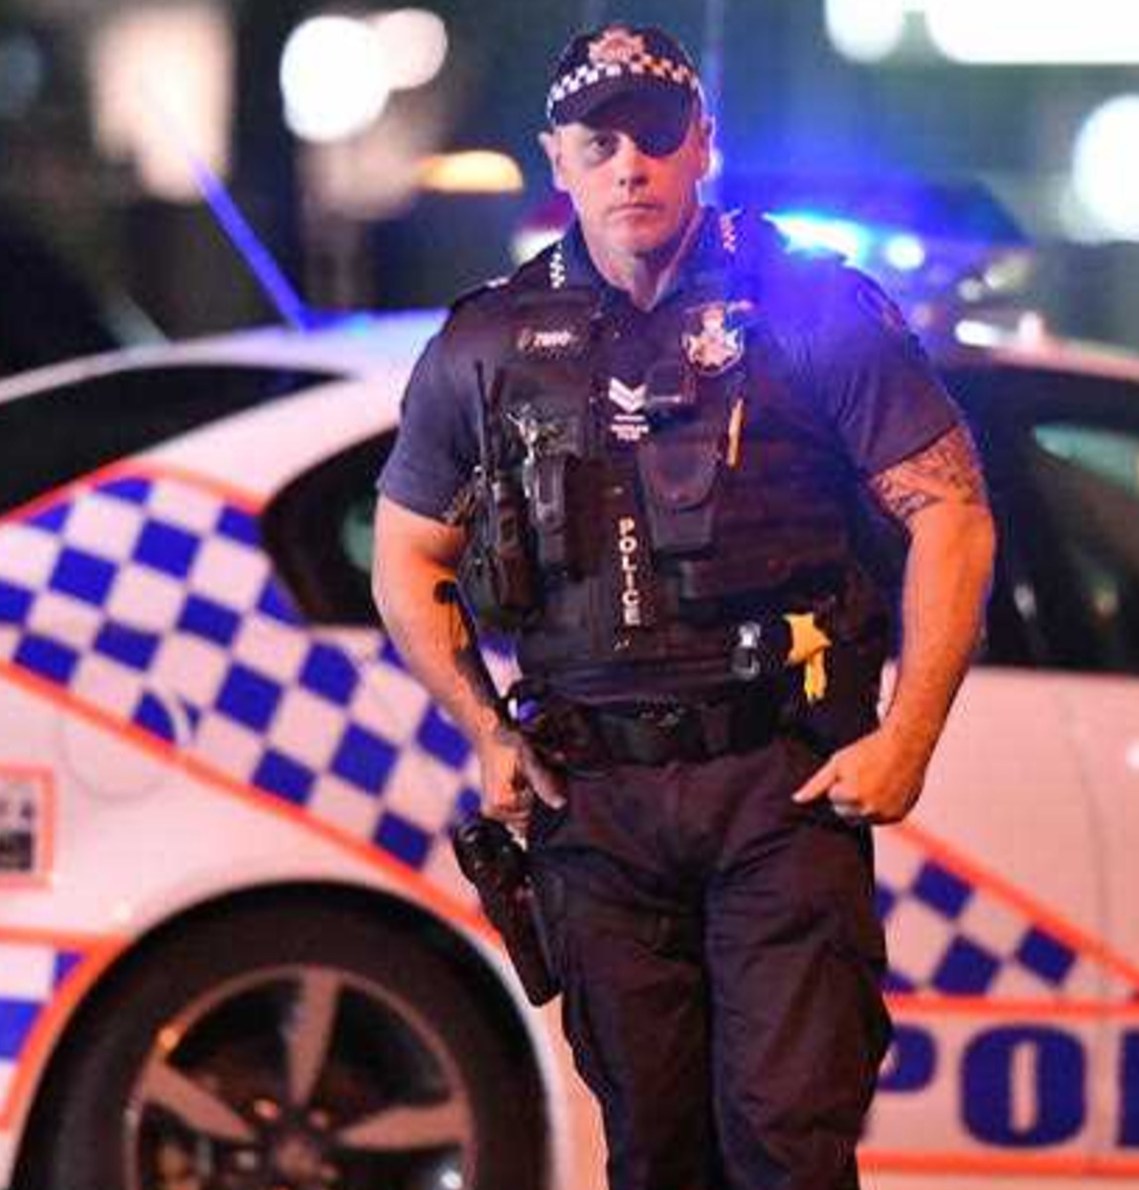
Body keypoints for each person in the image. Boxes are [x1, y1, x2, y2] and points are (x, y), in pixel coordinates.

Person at [370, 22, 995, 1190]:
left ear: (703, 144)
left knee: (786, 1143)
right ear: (555, 158)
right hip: (594, 805)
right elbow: (406, 553)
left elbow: (952, 512)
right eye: (597, 142)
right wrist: (487, 732)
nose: (629, 166)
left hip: (780, 785)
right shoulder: (490, 342)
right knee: (654, 1153)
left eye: (656, 137)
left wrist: (907, 735)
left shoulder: (808, 309)